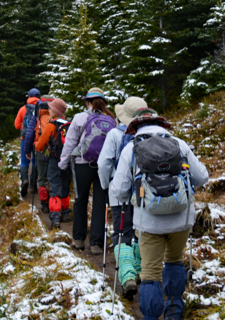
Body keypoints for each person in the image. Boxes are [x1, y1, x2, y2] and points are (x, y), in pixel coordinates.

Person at [110, 109, 209, 320]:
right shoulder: (179, 144)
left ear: (135, 127)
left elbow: (118, 190)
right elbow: (202, 177)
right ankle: (174, 311)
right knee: (174, 260)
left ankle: (152, 316)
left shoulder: (131, 148)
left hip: (149, 221)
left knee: (150, 273)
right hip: (181, 218)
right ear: (162, 124)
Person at [97, 95, 148, 299]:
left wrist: (105, 186)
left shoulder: (115, 135)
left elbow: (103, 164)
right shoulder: (152, 136)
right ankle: (142, 271)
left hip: (120, 195)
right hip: (146, 195)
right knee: (141, 234)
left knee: (122, 234)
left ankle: (127, 276)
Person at [58, 87, 115, 255]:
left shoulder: (79, 118)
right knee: (100, 202)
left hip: (83, 163)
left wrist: (63, 163)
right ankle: (96, 242)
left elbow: (70, 143)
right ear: (104, 102)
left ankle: (79, 239)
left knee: (80, 200)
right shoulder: (111, 119)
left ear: (88, 102)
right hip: (103, 165)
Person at [34, 97, 72, 228]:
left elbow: (41, 145)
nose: (49, 110)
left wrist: (36, 145)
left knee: (55, 187)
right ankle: (66, 213)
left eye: (50, 108)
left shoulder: (51, 126)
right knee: (65, 187)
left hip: (54, 160)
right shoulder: (69, 125)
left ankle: (55, 217)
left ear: (54, 111)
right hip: (67, 161)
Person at [14, 88, 42, 198]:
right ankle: (33, 185)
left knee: (24, 162)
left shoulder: (22, 109)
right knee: (35, 161)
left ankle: (24, 180)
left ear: (29, 97)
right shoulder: (41, 108)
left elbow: (16, 125)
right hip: (36, 138)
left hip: (24, 138)